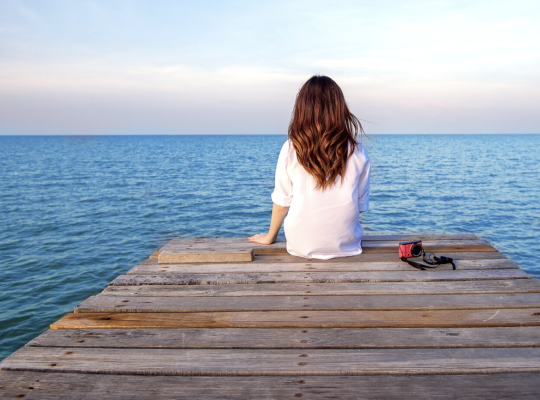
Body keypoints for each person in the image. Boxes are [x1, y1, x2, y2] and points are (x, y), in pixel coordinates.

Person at [248, 75, 371, 259]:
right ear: (339, 108)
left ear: (302, 109)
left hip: (299, 245)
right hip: (347, 246)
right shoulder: (357, 151)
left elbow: (282, 202)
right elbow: (359, 205)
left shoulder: (291, 148)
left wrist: (270, 237)